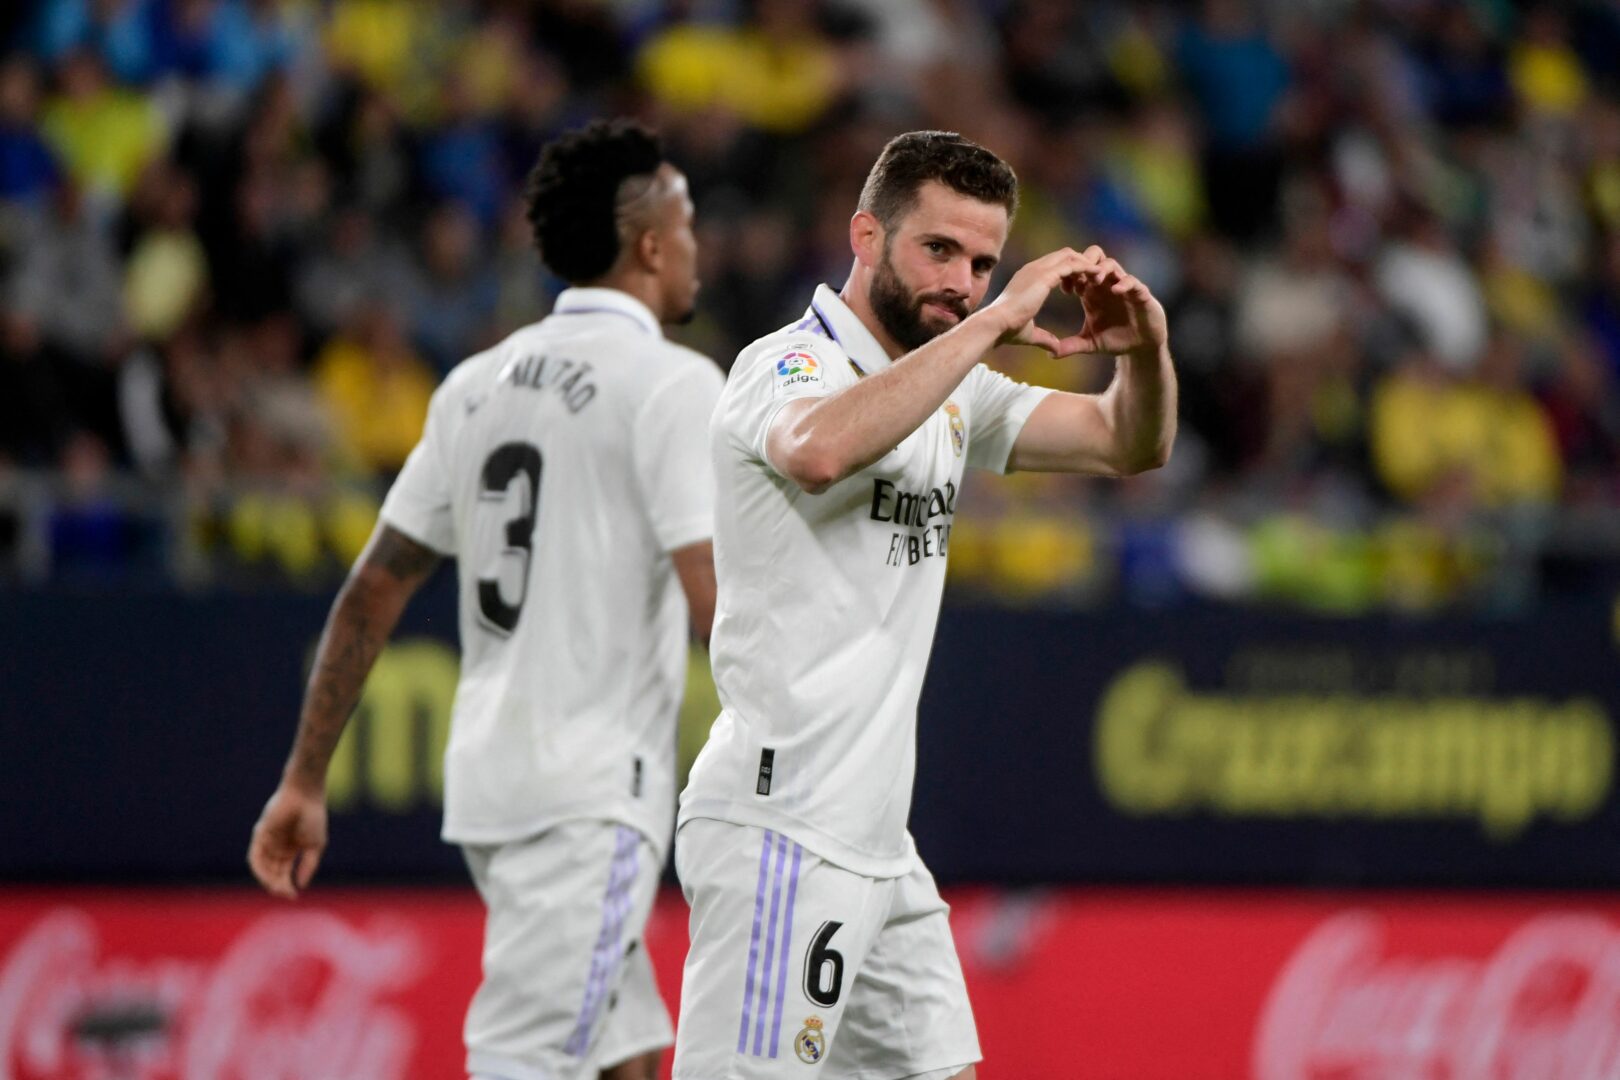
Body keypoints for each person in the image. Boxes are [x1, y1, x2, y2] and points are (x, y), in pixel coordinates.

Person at [672, 130, 1177, 1079]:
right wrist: (996, 323)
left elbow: (1126, 441)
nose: (964, 283)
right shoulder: (786, 365)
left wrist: (1146, 347)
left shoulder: (952, 389)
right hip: (784, 829)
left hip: (878, 840)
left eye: (984, 264)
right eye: (939, 249)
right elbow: (818, 451)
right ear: (866, 236)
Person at [247, 119, 723, 1080]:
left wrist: (304, 779)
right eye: (687, 223)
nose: (697, 245)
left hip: (491, 788)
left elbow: (376, 584)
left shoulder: (473, 385)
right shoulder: (672, 385)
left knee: (627, 1051)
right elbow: (718, 605)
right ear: (649, 244)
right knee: (526, 1060)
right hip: (591, 795)